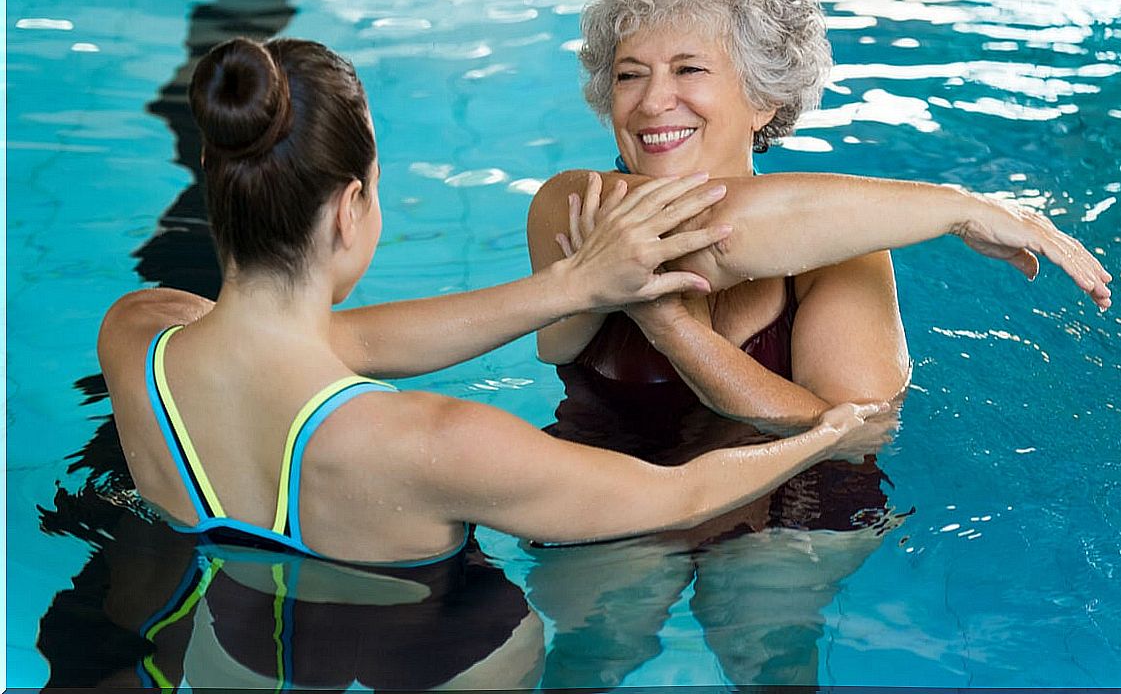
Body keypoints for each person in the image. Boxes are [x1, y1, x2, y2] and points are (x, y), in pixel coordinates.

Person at [521, 0, 1112, 686]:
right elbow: (712, 234)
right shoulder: (575, 205)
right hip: (614, 477)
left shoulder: (847, 244)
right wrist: (958, 207)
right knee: (595, 651)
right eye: (630, 75)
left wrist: (673, 331)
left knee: (766, 645)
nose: (651, 101)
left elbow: (851, 432)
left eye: (689, 68)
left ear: (764, 98)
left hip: (791, 496)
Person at [97, 36, 896, 571]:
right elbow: (680, 497)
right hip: (432, 659)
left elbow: (309, 341)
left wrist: (571, 288)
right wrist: (827, 431)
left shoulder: (138, 336)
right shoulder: (442, 443)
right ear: (351, 208)